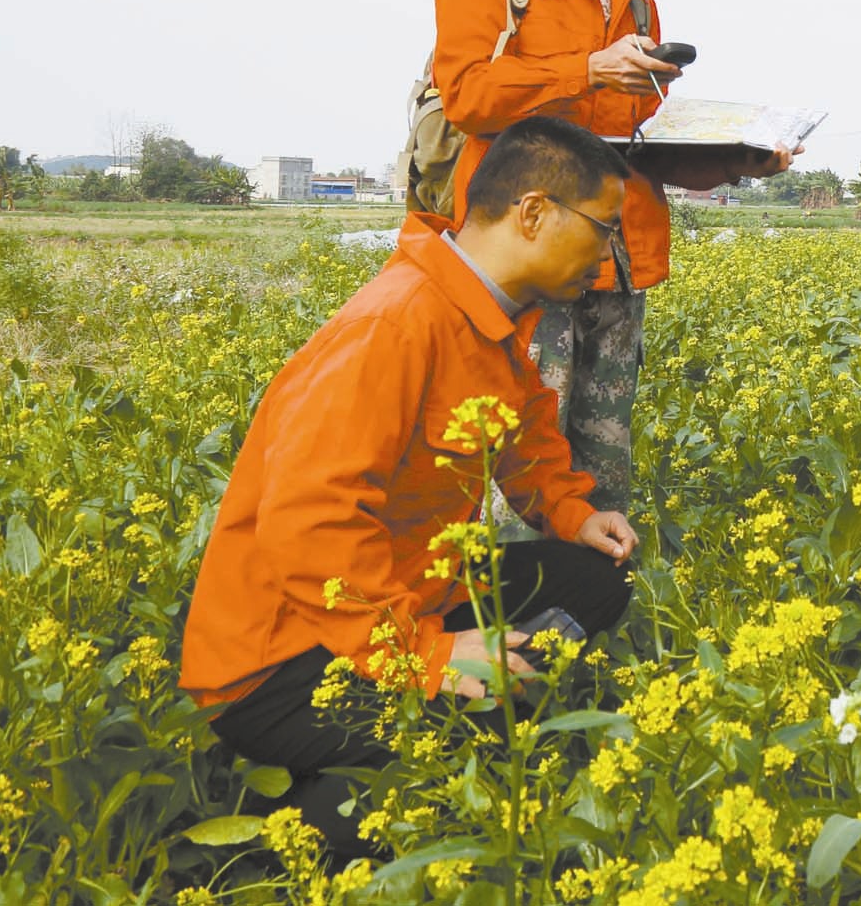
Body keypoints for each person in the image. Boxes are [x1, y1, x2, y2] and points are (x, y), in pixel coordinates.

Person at [180, 116, 643, 850]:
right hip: (286, 660)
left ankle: (484, 705)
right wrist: (424, 655)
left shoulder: (492, 318)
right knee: (460, 752)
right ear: (533, 213)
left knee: (597, 579)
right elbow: (309, 523)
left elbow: (525, 441)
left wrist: (572, 510)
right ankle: (293, 831)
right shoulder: (394, 325)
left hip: (410, 594)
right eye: (603, 227)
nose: (609, 254)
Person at [429, 0, 787, 521]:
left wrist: (738, 162)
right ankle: (507, 623)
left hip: (618, 266)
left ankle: (589, 612)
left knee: (602, 462)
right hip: (528, 262)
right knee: (519, 465)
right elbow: (467, 95)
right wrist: (587, 69)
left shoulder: (640, 2)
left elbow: (638, 150)